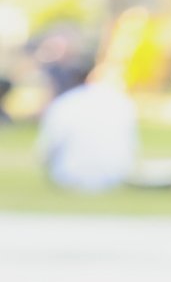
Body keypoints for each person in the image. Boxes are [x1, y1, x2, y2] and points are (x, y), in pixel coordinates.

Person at [37, 62, 137, 193]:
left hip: (69, 175)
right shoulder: (120, 101)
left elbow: (47, 148)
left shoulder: (64, 103)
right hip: (115, 176)